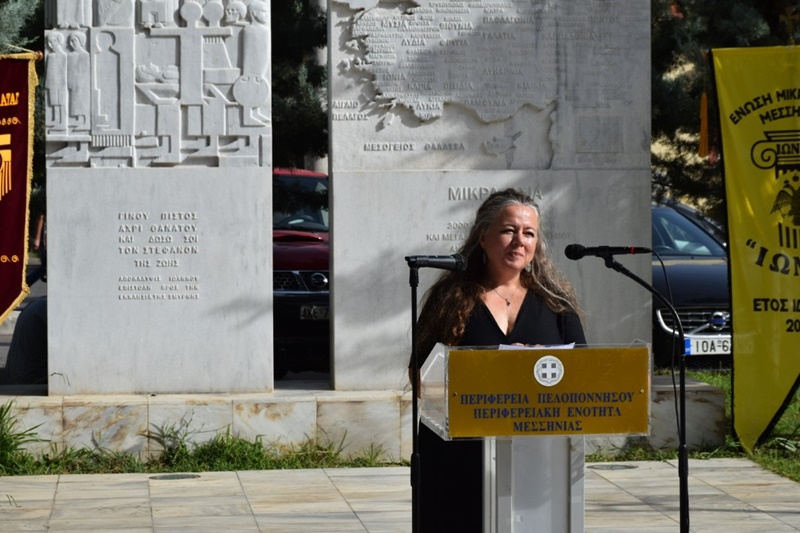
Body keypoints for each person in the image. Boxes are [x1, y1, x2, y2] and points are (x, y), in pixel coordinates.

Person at [409, 187, 586, 532]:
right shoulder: (450, 298)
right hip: (459, 460)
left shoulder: (555, 302)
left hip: (537, 460)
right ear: (483, 237)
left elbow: (582, 374)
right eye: (508, 230)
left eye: (529, 233)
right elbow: (419, 376)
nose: (519, 241)